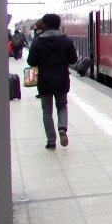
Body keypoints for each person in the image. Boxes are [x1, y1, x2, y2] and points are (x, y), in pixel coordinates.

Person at [26, 13, 78, 149]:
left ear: (44, 25)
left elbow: (31, 61)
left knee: (46, 111)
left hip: (45, 80)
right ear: (58, 24)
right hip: (62, 79)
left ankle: (51, 140)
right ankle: (62, 128)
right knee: (62, 106)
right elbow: (73, 60)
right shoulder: (66, 40)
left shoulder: (38, 41)